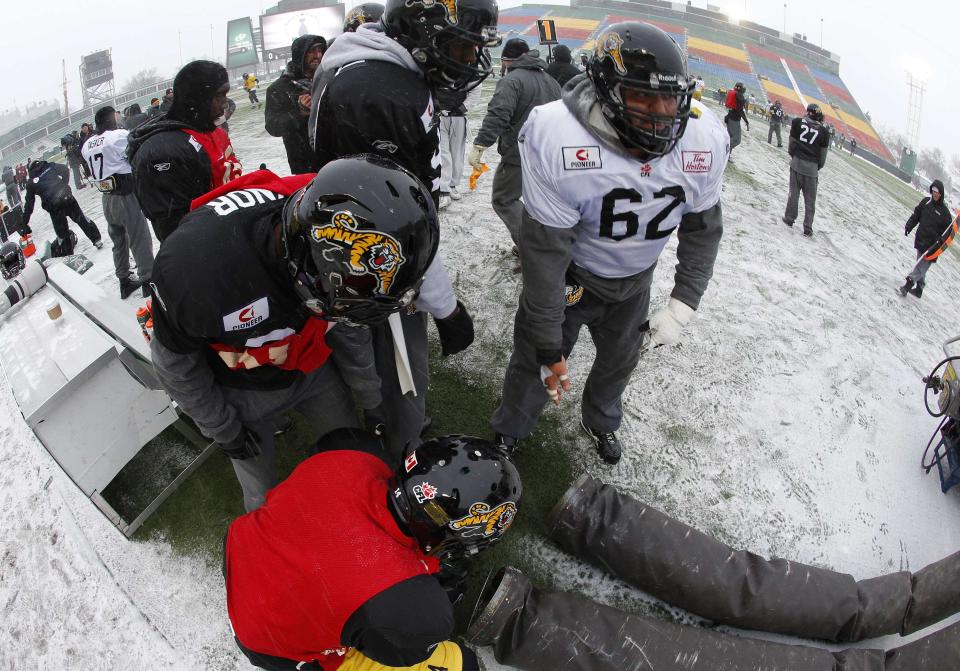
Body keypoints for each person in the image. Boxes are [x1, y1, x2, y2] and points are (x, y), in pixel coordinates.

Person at [490, 22, 727, 464]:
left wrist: (683, 303)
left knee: (620, 362)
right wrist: (546, 332)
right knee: (537, 358)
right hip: (572, 274)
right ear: (605, 91)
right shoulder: (559, 134)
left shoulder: (704, 139)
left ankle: (600, 420)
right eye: (642, 96)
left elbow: (703, 228)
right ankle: (512, 427)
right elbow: (545, 248)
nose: (661, 113)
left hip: (635, 282)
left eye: (670, 97)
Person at [148, 156, 439, 512]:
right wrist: (224, 429)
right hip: (240, 386)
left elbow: (349, 326)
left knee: (354, 456)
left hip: (308, 366)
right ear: (311, 262)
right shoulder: (196, 276)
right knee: (262, 499)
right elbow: (174, 364)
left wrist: (371, 398)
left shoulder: (315, 226)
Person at [308, 0, 493, 458]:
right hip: (372, 258)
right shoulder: (383, 92)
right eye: (461, 48)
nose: (468, 62)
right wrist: (447, 309)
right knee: (402, 368)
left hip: (351, 240)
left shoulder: (371, 63)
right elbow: (397, 222)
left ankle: (382, 417)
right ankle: (399, 451)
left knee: (365, 345)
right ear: (423, 31)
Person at [225, 428, 521, 671]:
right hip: (270, 642)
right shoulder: (408, 602)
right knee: (461, 665)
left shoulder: (352, 453)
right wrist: (428, 579)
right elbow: (398, 652)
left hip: (243, 559)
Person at [128, 60, 242, 241]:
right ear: (199, 97)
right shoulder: (162, 151)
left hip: (232, 232)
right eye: (219, 95)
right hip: (211, 249)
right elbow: (179, 238)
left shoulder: (213, 132)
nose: (225, 103)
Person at [468, 38, 561, 248]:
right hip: (548, 153)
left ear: (507, 60)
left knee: (504, 199)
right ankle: (543, 245)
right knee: (536, 204)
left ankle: (531, 247)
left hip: (520, 152)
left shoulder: (512, 80)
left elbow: (499, 113)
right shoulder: (551, 81)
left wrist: (481, 143)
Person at [81, 106, 155, 299]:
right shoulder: (117, 136)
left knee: (119, 240)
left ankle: (124, 280)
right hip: (125, 193)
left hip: (106, 196)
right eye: (116, 116)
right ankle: (148, 279)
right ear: (110, 119)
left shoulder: (87, 144)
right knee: (139, 236)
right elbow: (134, 155)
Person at [265, 34, 326, 174]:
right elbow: (272, 126)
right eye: (312, 51)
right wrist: (299, 114)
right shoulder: (278, 88)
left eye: (320, 50)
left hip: (335, 157)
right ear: (300, 55)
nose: (318, 55)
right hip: (304, 165)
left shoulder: (327, 78)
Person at [22, 159, 103, 256]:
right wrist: (64, 185)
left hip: (54, 206)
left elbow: (29, 205)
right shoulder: (49, 166)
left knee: (62, 232)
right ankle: (96, 239)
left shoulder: (31, 182)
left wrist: (24, 223)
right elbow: (65, 169)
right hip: (67, 198)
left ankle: (69, 254)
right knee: (81, 219)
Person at [782, 103, 831, 237]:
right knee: (810, 200)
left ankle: (790, 218)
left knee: (794, 194)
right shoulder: (824, 132)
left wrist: (794, 157)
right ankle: (808, 226)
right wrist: (816, 167)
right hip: (812, 169)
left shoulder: (797, 122)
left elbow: (791, 144)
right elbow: (822, 156)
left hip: (797, 163)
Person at [900, 180, 953, 298]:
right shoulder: (926, 202)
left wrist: (939, 244)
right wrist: (909, 226)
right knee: (920, 265)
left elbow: (948, 234)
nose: (935, 194)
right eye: (933, 191)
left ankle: (908, 285)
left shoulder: (945, 213)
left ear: (941, 194)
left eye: (937, 192)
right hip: (921, 241)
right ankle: (919, 289)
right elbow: (916, 215)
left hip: (932, 248)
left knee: (920, 267)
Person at [436, 84, 471, 208]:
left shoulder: (468, 74)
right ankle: (443, 190)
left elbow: (476, 90)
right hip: (440, 116)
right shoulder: (437, 70)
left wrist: (462, 108)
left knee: (457, 153)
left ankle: (453, 184)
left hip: (459, 117)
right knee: (443, 152)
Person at [724, 81, 749, 153]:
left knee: (730, 137)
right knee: (736, 140)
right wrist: (746, 121)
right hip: (734, 120)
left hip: (730, 116)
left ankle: (727, 155)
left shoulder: (734, 93)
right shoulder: (739, 96)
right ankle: (723, 149)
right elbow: (740, 111)